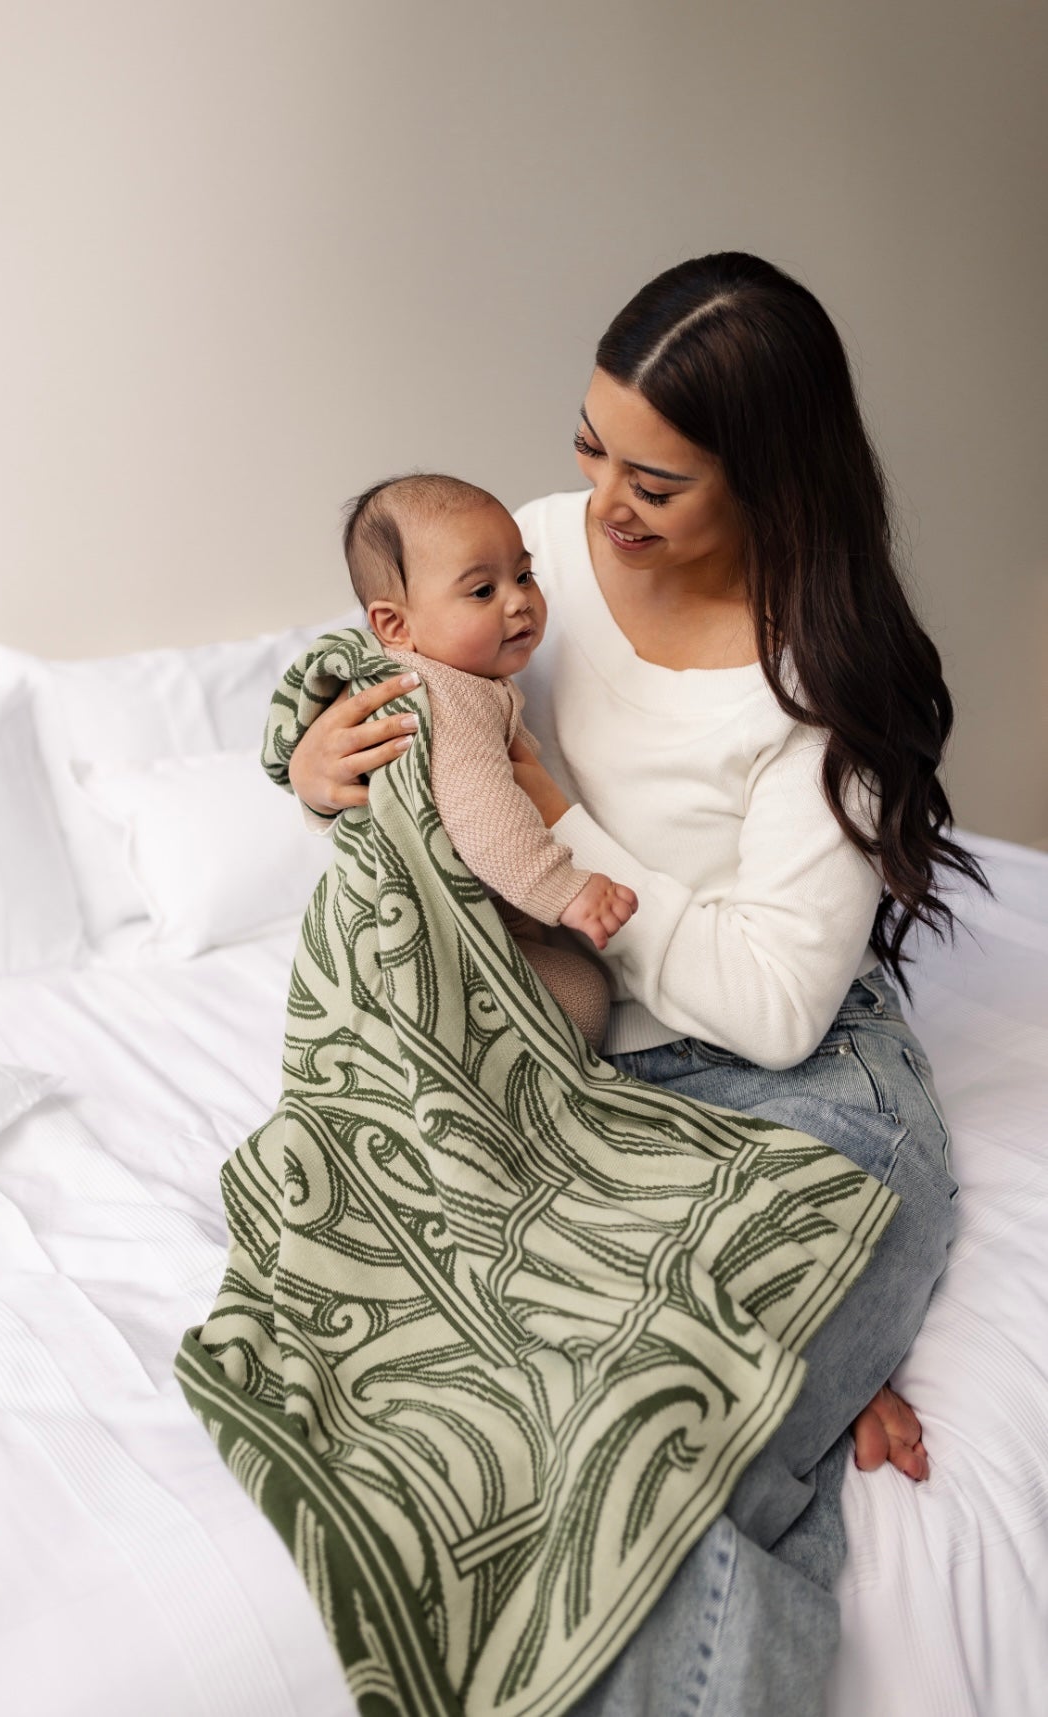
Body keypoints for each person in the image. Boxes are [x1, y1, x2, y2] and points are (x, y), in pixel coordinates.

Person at [289, 252, 984, 1712]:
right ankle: (790, 1384)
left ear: (767, 480)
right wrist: (312, 765)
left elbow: (774, 1005)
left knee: (659, 1454)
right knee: (520, 1423)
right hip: (593, 1078)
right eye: (589, 448)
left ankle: (785, 1361)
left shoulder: (824, 682)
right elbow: (411, 686)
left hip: (803, 1101)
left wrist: (561, 826)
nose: (598, 507)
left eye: (653, 482)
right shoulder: (530, 557)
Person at [342, 469, 638, 1048]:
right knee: (580, 996)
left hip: (473, 916)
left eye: (524, 576)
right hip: (424, 935)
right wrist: (563, 889)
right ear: (395, 625)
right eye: (483, 591)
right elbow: (482, 808)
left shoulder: (461, 678)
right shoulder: (442, 695)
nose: (519, 602)